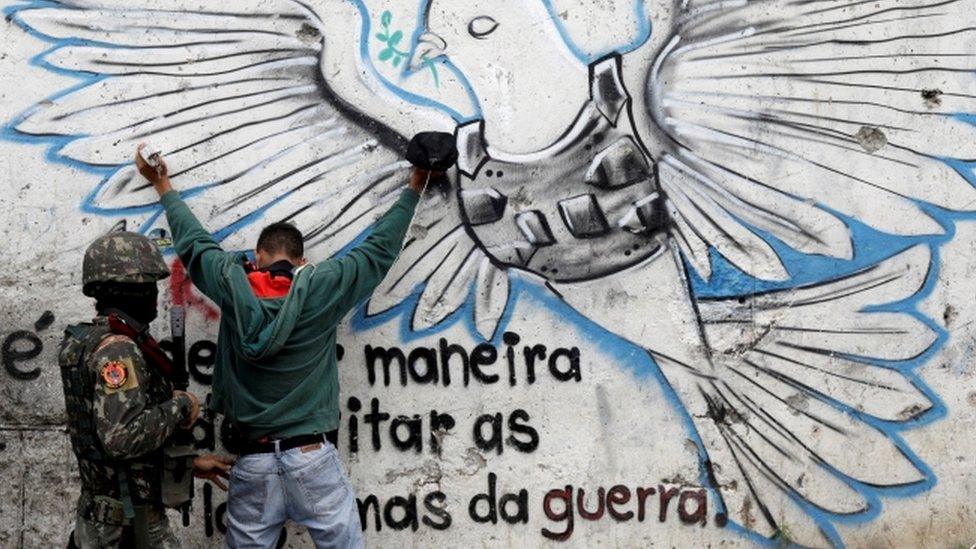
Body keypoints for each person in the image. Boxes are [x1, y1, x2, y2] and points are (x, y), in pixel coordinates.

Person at [136, 144, 437, 548]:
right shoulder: (323, 287)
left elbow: (194, 245)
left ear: (257, 257)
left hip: (253, 461)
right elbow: (378, 250)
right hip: (312, 457)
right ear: (300, 260)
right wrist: (416, 185)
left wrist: (163, 185)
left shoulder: (231, 283)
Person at [60, 230, 235, 548]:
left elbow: (107, 443)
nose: (156, 295)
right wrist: (180, 405)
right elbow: (122, 438)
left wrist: (188, 464)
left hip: (108, 519)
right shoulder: (117, 349)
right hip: (127, 526)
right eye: (149, 286)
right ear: (131, 290)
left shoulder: (85, 340)